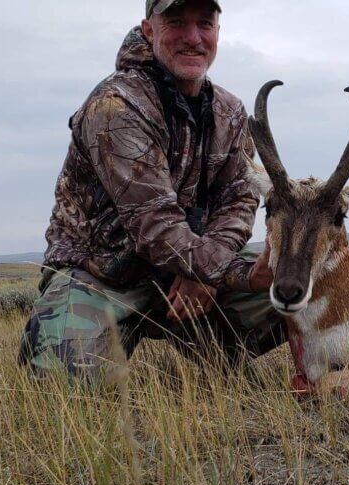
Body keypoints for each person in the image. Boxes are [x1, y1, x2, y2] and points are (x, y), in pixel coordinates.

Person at [18, 0, 284, 387]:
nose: (192, 37)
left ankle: (216, 349)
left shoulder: (231, 112)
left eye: (204, 24)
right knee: (63, 384)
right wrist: (227, 271)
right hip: (104, 275)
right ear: (149, 30)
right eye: (176, 22)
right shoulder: (116, 106)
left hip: (191, 268)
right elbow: (155, 226)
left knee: (303, 289)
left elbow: (239, 199)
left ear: (217, 32)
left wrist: (208, 272)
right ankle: (100, 338)